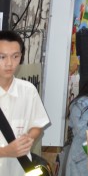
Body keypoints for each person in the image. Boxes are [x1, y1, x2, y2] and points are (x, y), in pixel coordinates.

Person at [0, 31, 50, 175]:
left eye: (15, 56)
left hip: (20, 170)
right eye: (2, 57)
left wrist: (29, 138)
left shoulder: (28, 90)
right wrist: (5, 151)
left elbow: (37, 125)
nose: (9, 63)